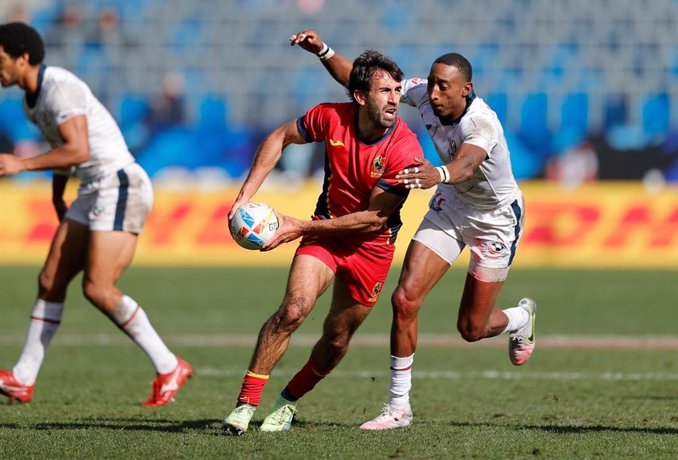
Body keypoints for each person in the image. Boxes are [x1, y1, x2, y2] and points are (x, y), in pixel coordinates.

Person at [291, 30, 536, 430]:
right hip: (452, 206)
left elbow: (468, 165)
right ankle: (398, 407)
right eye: (432, 83)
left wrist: (436, 174)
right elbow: (363, 82)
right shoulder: (422, 93)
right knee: (404, 299)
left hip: (495, 219)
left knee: (472, 329)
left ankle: (520, 318)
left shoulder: (482, 123)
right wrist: (323, 50)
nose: (434, 94)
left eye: (445, 86)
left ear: (465, 90)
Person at [222, 50, 423, 435]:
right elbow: (280, 136)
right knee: (293, 310)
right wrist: (244, 198)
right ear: (361, 96)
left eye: (398, 90)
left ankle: (287, 402)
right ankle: (245, 406)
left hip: (372, 246)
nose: (396, 99)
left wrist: (297, 226)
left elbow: (373, 219)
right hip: (325, 234)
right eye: (385, 90)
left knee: (336, 337)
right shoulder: (330, 117)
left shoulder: (405, 150)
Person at [0, 22, 192, 406]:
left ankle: (169, 364)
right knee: (51, 279)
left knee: (97, 288)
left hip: (118, 183)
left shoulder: (59, 87)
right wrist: (57, 197)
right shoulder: (32, 101)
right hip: (91, 188)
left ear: (23, 58)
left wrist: (21, 166)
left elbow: (78, 150)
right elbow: (64, 152)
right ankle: (22, 378)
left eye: (0, 58)